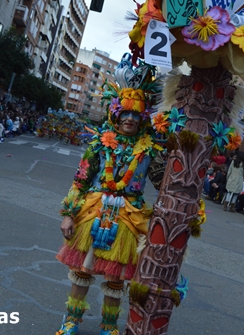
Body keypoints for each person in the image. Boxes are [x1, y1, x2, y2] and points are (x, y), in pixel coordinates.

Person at [55, 57, 163, 335]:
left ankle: (109, 326)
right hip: (93, 210)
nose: (129, 118)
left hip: (129, 216)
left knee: (117, 276)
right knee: (82, 270)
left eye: (136, 114)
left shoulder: (149, 149)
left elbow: (164, 181)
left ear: (142, 118)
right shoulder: (99, 144)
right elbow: (80, 179)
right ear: (115, 113)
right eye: (125, 113)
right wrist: (68, 214)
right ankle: (71, 321)